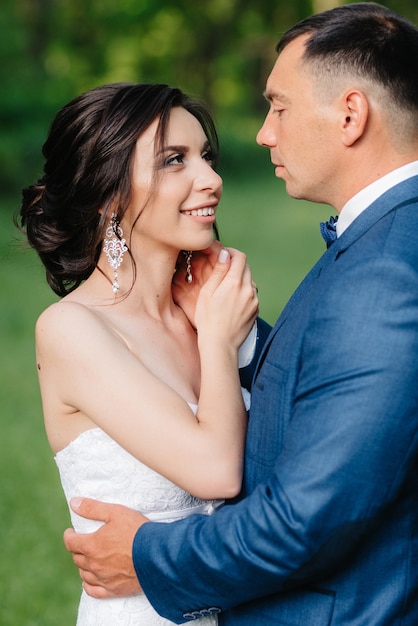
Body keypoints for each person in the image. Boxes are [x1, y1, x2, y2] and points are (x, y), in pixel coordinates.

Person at [63, 3, 418, 624]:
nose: (263, 133)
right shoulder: (386, 242)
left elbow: (308, 517)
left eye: (278, 107)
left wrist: (148, 557)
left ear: (352, 114)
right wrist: (239, 340)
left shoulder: (384, 269)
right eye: (175, 159)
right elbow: (328, 389)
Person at [17, 82, 262, 625]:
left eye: (206, 156)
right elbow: (217, 472)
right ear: (107, 193)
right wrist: (218, 342)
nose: (212, 180)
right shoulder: (72, 329)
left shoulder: (213, 309)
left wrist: (220, 327)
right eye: (174, 160)